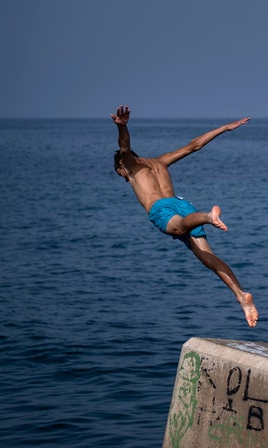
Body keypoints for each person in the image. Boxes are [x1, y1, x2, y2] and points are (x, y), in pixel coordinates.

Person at [111, 105, 258, 327]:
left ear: (122, 166)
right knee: (207, 257)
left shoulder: (129, 165)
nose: (122, 176)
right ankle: (241, 296)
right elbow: (194, 146)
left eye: (120, 172)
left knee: (178, 227)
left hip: (163, 209)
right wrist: (225, 128)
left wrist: (123, 127)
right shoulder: (161, 162)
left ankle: (208, 217)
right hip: (184, 205)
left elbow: (124, 148)